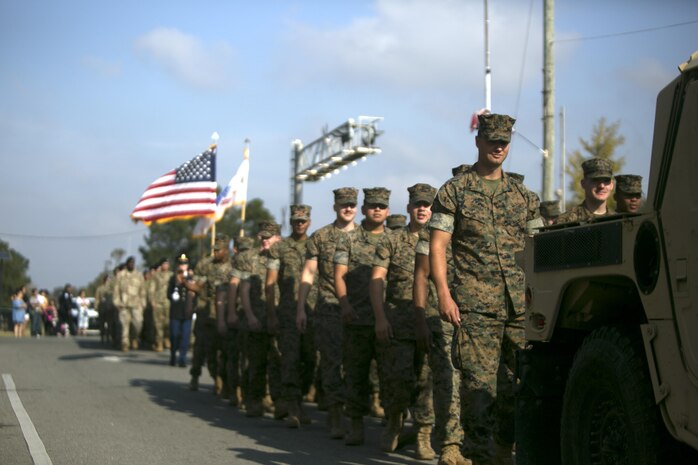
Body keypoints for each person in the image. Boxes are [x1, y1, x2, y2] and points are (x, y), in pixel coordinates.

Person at [430, 113, 542, 464]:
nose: (498, 147)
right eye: (492, 140)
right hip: (475, 308)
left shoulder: (524, 196)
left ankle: (502, 450)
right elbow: (437, 246)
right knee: (478, 391)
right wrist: (445, 295)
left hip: (519, 308)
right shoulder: (454, 191)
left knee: (516, 389)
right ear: (478, 142)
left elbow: (539, 247)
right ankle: (478, 456)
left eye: (504, 142)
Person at [371, 183, 437, 459]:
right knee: (396, 378)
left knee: (426, 381)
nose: (422, 208)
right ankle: (394, 423)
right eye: (417, 204)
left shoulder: (441, 239)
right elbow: (377, 280)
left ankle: (423, 433)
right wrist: (380, 318)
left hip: (431, 319)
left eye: (427, 204)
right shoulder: (391, 240)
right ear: (409, 207)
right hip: (398, 319)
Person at [297, 187, 358, 439]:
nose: (348, 208)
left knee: (356, 364)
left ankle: (356, 414)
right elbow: (309, 273)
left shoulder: (367, 237)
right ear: (335, 206)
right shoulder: (321, 237)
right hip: (329, 308)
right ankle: (335, 413)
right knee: (332, 362)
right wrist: (301, 306)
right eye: (343, 204)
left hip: (361, 310)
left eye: (352, 204)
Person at [334, 187, 391, 446]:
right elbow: (339, 273)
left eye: (381, 206)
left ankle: (392, 426)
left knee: (390, 376)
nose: (377, 209)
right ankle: (355, 424)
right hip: (356, 318)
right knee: (355, 375)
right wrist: (344, 304)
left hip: (389, 320)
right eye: (372, 206)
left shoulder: (394, 239)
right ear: (365, 209)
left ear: (388, 210)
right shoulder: (349, 239)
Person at [414, 225, 470, 465]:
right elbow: (421, 276)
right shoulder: (432, 233)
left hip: (482, 316)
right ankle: (450, 445)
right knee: (448, 381)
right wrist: (420, 321)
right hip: (444, 319)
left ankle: (478, 444)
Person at [266, 204, 316, 428]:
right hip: (287, 312)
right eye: (296, 220)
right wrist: (272, 312)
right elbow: (270, 283)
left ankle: (300, 397)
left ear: (309, 222)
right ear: (291, 222)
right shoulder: (279, 248)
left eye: (303, 220)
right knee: (290, 359)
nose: (299, 224)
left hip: (312, 311)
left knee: (310, 359)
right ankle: (292, 406)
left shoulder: (317, 245)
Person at [233, 223, 281, 417]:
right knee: (256, 363)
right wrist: (250, 316)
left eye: (269, 237)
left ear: (278, 237)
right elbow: (243, 290)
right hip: (257, 319)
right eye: (263, 237)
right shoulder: (249, 258)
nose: (265, 241)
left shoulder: (284, 257)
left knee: (278, 362)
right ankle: (254, 400)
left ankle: (276, 400)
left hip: (279, 318)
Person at [185, 234, 233, 392]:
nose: (216, 253)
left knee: (224, 349)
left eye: (219, 250)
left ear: (226, 250)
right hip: (207, 310)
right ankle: (196, 376)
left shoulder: (234, 266)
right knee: (202, 347)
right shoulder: (207, 265)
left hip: (226, 311)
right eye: (214, 250)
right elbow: (198, 286)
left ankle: (222, 380)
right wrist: (187, 285)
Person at [555, 157, 614, 224]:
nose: (601, 186)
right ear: (583, 184)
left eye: (606, 181)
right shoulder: (566, 221)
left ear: (612, 185)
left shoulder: (618, 220)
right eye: (595, 180)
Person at [113, 256, 146, 351]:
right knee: (124, 325)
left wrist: (143, 303)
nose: (131, 264)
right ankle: (125, 343)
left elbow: (142, 290)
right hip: (124, 305)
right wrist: (116, 302)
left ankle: (134, 338)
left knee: (138, 324)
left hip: (136, 305)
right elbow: (116, 290)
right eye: (130, 263)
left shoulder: (139, 275)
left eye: (133, 263)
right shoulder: (120, 275)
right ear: (127, 264)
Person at [168, 254, 195, 367]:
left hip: (187, 311)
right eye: (181, 264)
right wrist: (177, 283)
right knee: (174, 335)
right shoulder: (173, 278)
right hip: (176, 311)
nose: (183, 266)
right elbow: (168, 294)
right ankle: (173, 355)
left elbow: (195, 293)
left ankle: (182, 358)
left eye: (185, 264)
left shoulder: (191, 278)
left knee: (185, 336)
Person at [150, 257, 172, 352]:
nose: (165, 266)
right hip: (158, 302)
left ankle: (167, 338)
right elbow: (151, 289)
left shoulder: (172, 275)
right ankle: (159, 343)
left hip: (169, 302)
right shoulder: (156, 276)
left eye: (167, 264)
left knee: (168, 323)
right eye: (164, 264)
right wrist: (152, 301)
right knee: (158, 324)